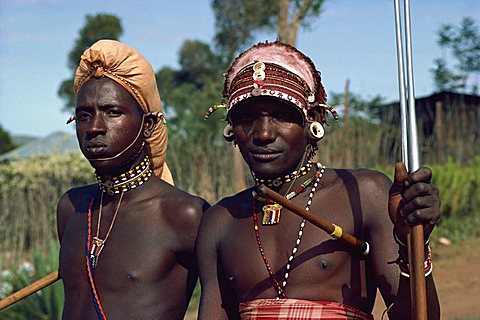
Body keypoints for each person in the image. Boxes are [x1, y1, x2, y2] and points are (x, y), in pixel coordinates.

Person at [197, 41, 441, 319]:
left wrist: (412, 246)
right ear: (231, 128)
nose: (263, 133)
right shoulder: (220, 220)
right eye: (248, 118)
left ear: (312, 120)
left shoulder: (362, 194)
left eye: (281, 116)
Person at [57, 39, 209, 319]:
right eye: (83, 115)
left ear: (147, 125)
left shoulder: (185, 215)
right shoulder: (71, 206)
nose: (95, 128)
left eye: (112, 112)